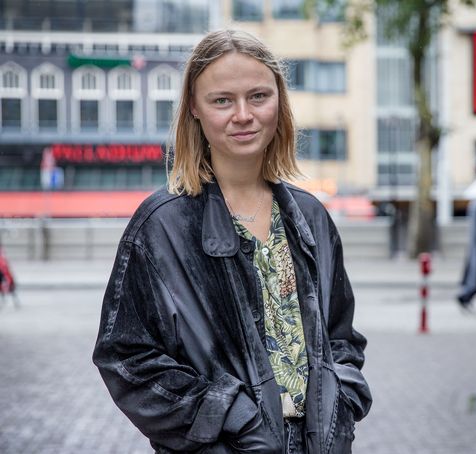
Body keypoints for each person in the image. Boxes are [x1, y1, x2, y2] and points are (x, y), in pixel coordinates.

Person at [93, 29, 371, 454]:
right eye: (222, 100)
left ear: (279, 100)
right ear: (195, 109)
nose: (243, 114)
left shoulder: (310, 217)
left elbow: (342, 339)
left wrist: (341, 406)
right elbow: (126, 359)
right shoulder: (162, 225)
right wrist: (231, 417)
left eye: (258, 96)